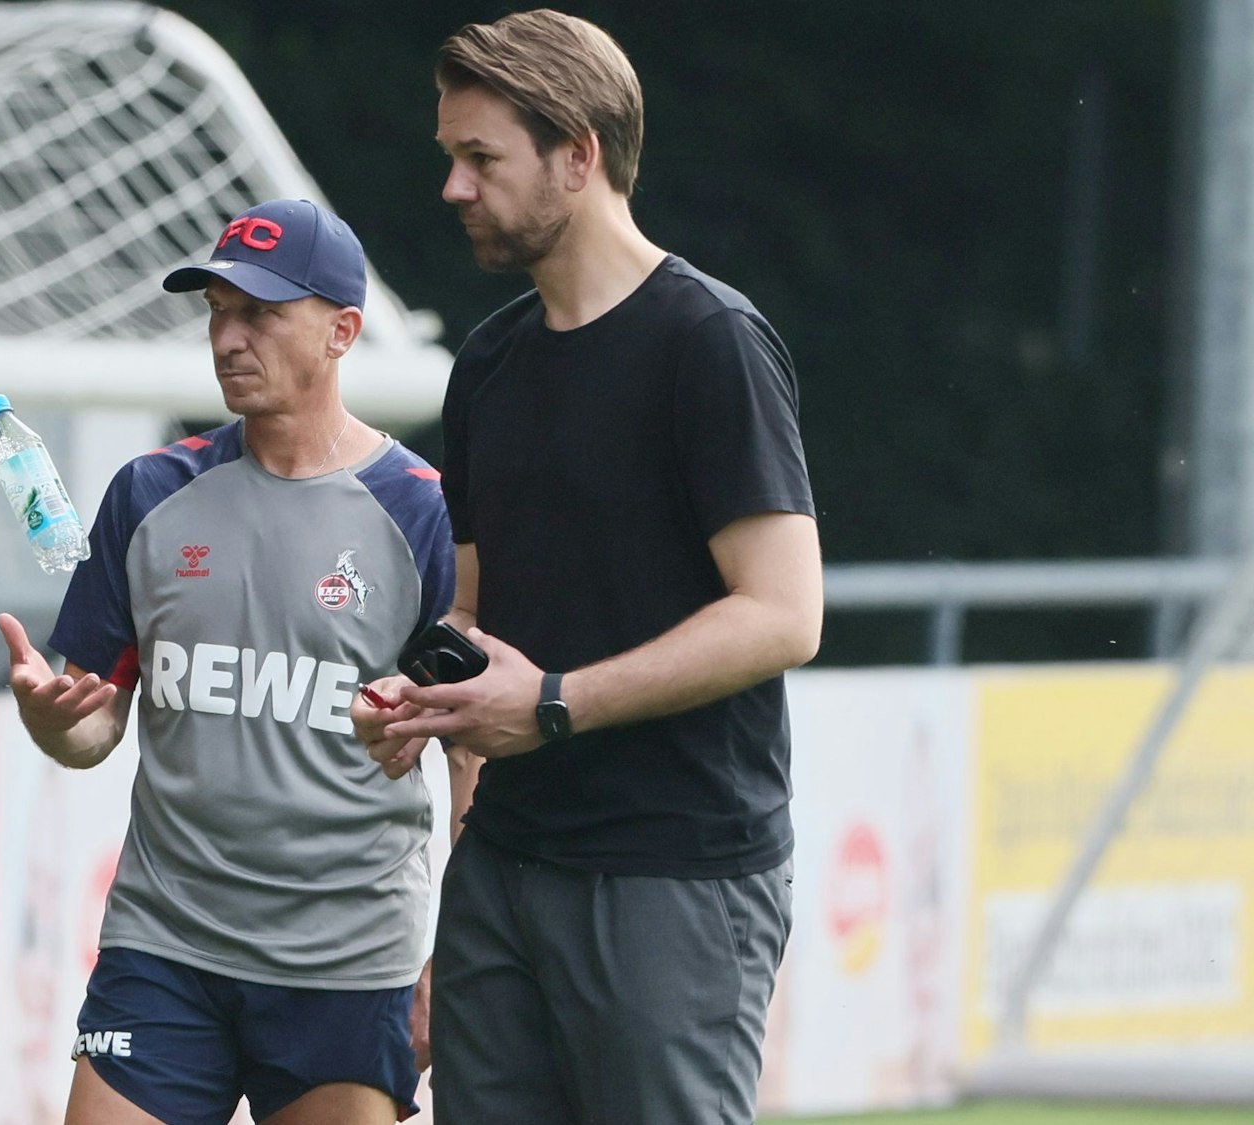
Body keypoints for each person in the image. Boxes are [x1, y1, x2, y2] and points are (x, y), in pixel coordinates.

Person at [352, 11, 824, 1125]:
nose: (452, 189)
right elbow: (471, 615)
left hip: (676, 874)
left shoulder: (708, 341)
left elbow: (782, 614)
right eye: (448, 159)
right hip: (504, 868)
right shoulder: (489, 360)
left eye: (481, 159)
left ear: (579, 156)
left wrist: (553, 705)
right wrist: (419, 697)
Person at [0, 197, 454, 1125]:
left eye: (259, 312)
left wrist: (464, 956)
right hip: (163, 949)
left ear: (342, 331)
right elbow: (93, 722)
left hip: (349, 961)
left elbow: (477, 751)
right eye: (215, 310)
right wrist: (55, 720)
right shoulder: (150, 494)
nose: (227, 337)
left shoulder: (423, 513)